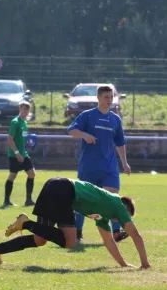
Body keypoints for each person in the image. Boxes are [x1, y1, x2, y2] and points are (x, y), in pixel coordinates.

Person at [0, 177, 150, 269]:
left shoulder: (104, 218)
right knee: (70, 242)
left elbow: (109, 242)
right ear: (125, 208)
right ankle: (25, 224)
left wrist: (123, 264)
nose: (123, 221)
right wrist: (145, 264)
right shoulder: (118, 205)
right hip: (64, 189)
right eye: (127, 216)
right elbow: (136, 235)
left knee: (39, 239)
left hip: (53, 185)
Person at [66, 85, 131, 243]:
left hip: (109, 167)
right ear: (99, 98)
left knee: (113, 198)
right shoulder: (87, 116)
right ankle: (78, 233)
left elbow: (120, 143)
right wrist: (85, 135)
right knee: (82, 200)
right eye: (106, 97)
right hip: (89, 166)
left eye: (111, 97)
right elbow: (71, 130)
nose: (109, 100)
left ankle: (116, 232)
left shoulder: (115, 119)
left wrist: (124, 162)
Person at [3, 101, 35, 207]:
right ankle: (6, 201)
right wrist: (17, 153)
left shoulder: (24, 122)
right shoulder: (15, 122)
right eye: (23, 109)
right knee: (12, 176)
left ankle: (28, 200)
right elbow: (10, 139)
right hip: (14, 155)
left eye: (27, 109)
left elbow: (22, 138)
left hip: (24, 154)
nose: (25, 111)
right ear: (20, 109)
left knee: (31, 173)